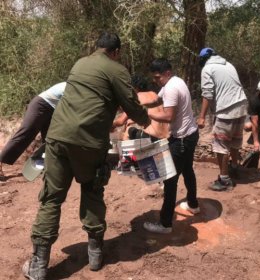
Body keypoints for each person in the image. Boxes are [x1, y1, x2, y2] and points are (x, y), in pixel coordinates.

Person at [22, 32, 150, 280]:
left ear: (97, 47)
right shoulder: (117, 69)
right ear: (116, 52)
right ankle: (95, 255)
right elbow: (132, 105)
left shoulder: (80, 63)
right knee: (92, 191)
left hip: (57, 138)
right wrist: (145, 119)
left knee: (51, 199)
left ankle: (38, 266)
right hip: (90, 143)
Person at [143, 58, 200, 234]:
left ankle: (165, 223)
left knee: (170, 180)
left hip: (182, 140)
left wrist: (147, 115)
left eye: (158, 77)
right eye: (154, 78)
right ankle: (193, 204)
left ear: (167, 73)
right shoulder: (175, 82)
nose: (156, 80)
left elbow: (169, 117)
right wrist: (142, 105)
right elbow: (157, 99)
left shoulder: (171, 88)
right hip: (191, 134)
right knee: (188, 170)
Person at [197, 47, 247, 191]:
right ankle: (235, 168)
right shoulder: (228, 64)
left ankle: (224, 180)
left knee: (221, 145)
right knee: (235, 141)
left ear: (203, 59)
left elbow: (207, 94)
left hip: (226, 110)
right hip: (242, 106)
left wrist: (201, 117)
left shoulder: (207, 69)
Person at [0, 82, 66, 181]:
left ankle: (48, 167)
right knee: (26, 133)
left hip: (54, 109)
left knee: (50, 138)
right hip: (41, 104)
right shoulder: (72, 86)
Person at [112, 75, 169, 142]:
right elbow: (151, 114)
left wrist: (110, 125)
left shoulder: (137, 97)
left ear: (135, 88)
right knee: (130, 122)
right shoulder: (155, 95)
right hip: (166, 137)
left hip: (152, 137)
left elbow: (121, 121)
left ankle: (127, 152)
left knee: (128, 130)